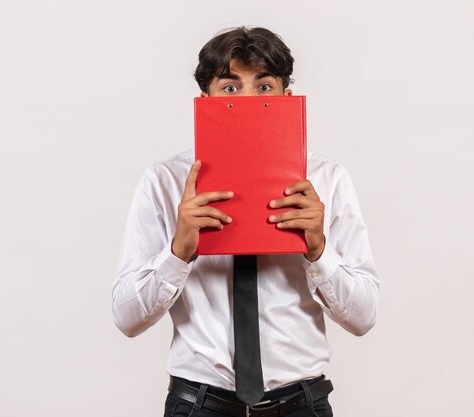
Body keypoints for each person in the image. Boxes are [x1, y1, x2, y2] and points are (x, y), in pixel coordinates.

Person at [112, 26, 380, 417]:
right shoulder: (164, 181)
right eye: (231, 87)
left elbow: (364, 317)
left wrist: (318, 250)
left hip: (300, 404)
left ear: (288, 98)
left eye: (265, 86)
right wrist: (179, 251)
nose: (250, 101)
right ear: (205, 100)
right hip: (199, 406)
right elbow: (126, 318)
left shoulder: (327, 180)